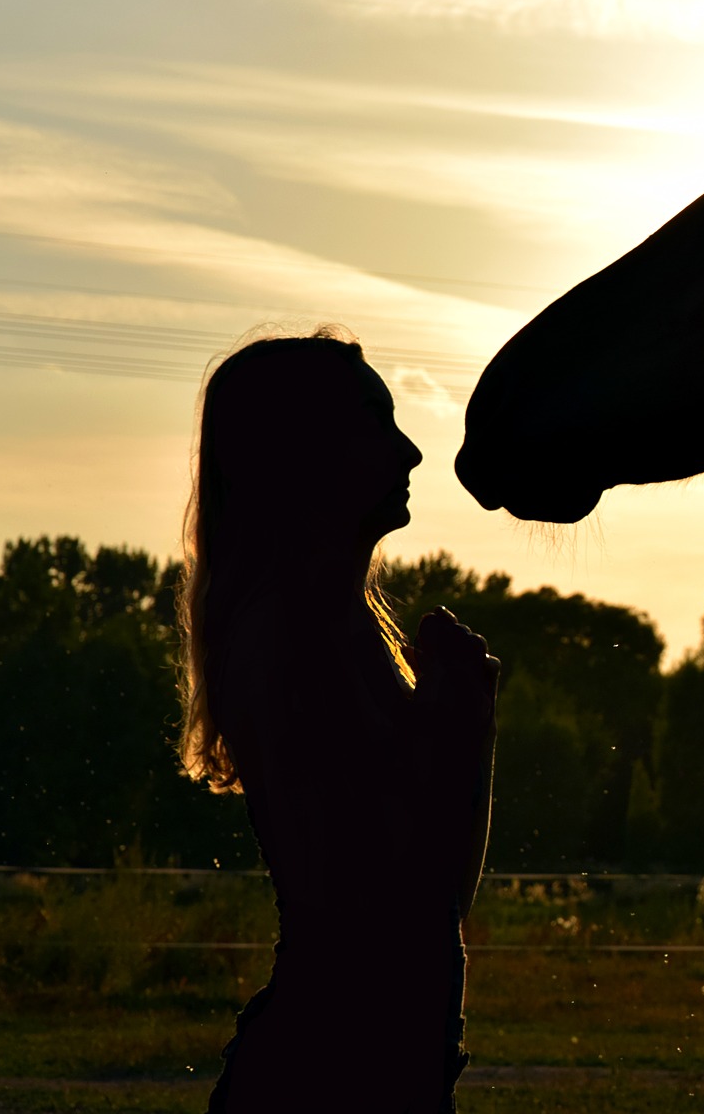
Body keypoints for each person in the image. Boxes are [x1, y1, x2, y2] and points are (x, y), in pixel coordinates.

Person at [174, 329, 498, 1112]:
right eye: (375, 423)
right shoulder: (289, 640)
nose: (411, 452)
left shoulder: (342, 632)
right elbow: (396, 893)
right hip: (336, 1075)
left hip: (383, 1065)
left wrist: (466, 721)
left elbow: (442, 901)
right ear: (302, 452)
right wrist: (461, 722)